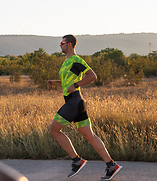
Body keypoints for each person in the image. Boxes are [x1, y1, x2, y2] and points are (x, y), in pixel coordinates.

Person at [46, 34, 122, 180]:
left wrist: (76, 85)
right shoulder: (67, 61)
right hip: (77, 103)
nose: (60, 45)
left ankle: (76, 161)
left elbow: (92, 76)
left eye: (61, 42)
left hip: (74, 102)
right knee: (89, 135)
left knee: (54, 130)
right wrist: (55, 83)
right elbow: (68, 83)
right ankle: (111, 166)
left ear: (69, 44)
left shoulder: (76, 60)